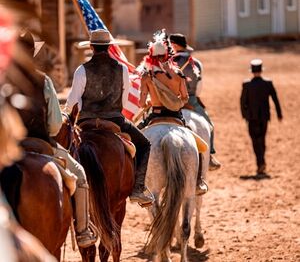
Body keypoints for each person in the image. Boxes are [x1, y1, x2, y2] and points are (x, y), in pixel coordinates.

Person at [15, 32, 97, 248]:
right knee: (79, 175)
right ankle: (83, 230)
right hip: (41, 144)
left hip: (9, 148)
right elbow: (54, 125)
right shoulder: (43, 80)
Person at [64, 28, 153, 206]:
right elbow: (126, 100)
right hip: (115, 120)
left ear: (91, 47)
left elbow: (73, 103)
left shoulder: (82, 70)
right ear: (109, 47)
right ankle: (137, 189)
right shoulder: (121, 69)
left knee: (65, 148)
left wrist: (70, 115)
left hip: (85, 122)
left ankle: (67, 192)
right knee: (144, 144)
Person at [138, 38, 208, 195]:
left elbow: (142, 103)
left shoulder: (147, 76)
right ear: (167, 55)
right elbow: (184, 98)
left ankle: (138, 184)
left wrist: (151, 101)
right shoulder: (178, 74)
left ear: (151, 55)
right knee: (197, 146)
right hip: (177, 117)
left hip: (155, 116)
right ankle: (198, 182)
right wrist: (172, 99)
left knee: (135, 144)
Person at [169, 33, 221, 171]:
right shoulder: (196, 63)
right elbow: (198, 89)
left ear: (173, 45)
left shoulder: (166, 62)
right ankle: (209, 157)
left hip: (170, 101)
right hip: (191, 99)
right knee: (209, 126)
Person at [240, 59, 283, 175]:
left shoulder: (247, 84)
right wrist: (279, 114)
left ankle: (260, 163)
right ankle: (262, 162)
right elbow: (275, 99)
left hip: (252, 118)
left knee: (255, 141)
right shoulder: (268, 83)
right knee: (262, 140)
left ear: (252, 71)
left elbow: (242, 101)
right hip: (264, 117)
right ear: (261, 70)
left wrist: (245, 115)